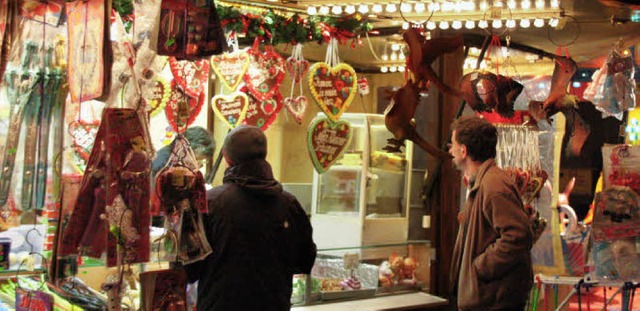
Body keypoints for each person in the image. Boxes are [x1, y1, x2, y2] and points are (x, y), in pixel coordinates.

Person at [184, 125, 317, 311]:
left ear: (227, 158)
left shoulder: (208, 203)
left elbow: (188, 269)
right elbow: (305, 261)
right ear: (264, 155)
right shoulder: (289, 204)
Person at [448, 116, 534, 311]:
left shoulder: (493, 186)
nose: (450, 150)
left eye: (453, 145)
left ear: (464, 150)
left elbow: (518, 235)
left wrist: (480, 267)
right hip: (487, 299)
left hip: (494, 302)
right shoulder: (482, 182)